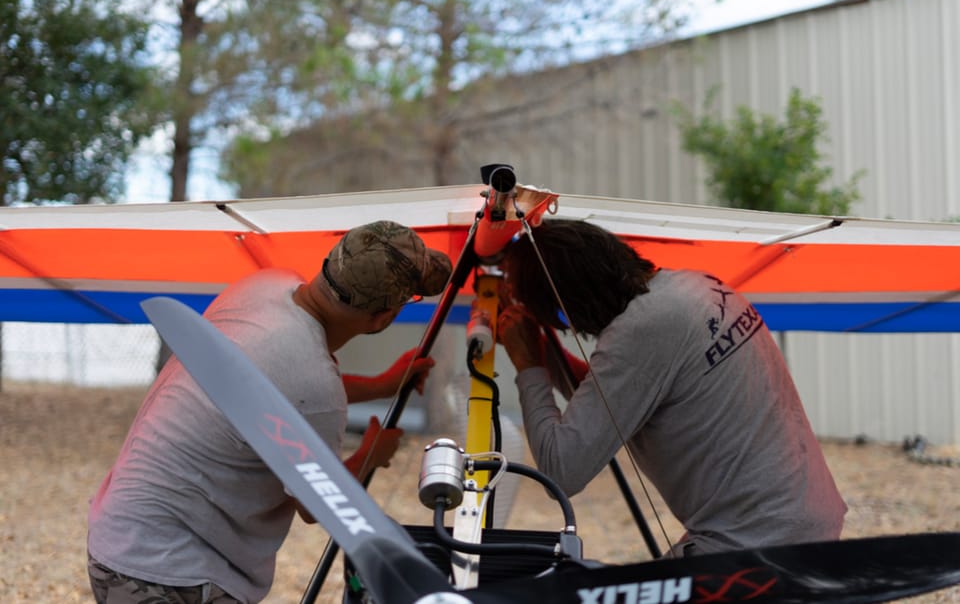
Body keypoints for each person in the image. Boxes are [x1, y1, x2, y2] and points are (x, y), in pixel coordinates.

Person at [87, 220, 452, 603]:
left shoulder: (266, 284)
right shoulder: (315, 384)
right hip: (173, 574)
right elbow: (317, 505)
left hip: (117, 535)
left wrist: (381, 386)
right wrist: (370, 455)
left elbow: (280, 392)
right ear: (384, 317)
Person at [495, 218, 847, 558]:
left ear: (569, 300)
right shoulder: (696, 286)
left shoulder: (642, 329)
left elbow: (560, 471)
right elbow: (615, 400)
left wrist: (529, 366)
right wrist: (538, 349)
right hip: (803, 516)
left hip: (756, 538)